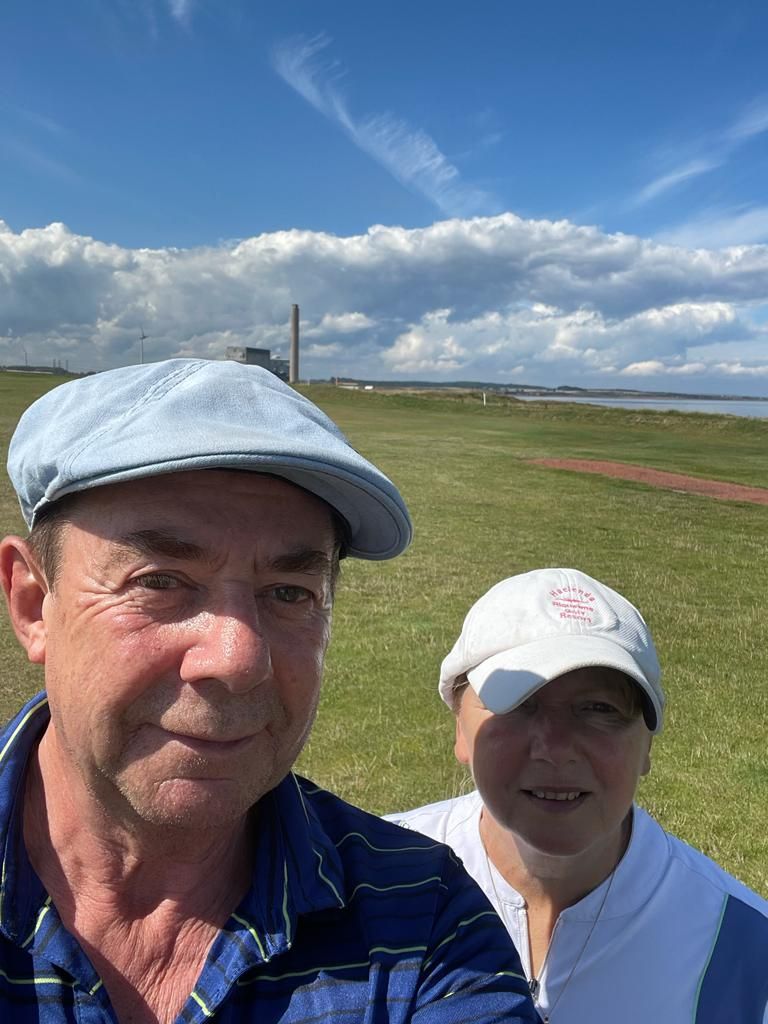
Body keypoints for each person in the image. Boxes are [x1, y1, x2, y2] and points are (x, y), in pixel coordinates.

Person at [0, 358, 539, 1024]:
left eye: (289, 592)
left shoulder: (424, 925)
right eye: (160, 581)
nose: (239, 660)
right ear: (33, 604)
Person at [388, 568, 768, 1023]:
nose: (555, 749)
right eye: (519, 703)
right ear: (460, 729)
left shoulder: (744, 949)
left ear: (647, 744)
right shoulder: (372, 881)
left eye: (599, 709)